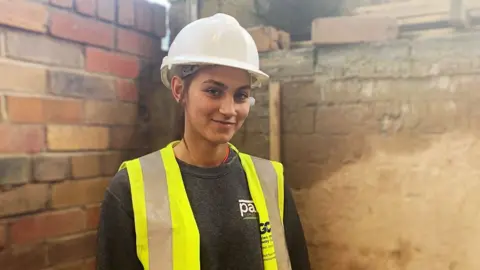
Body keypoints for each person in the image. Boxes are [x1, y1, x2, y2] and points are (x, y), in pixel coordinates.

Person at [96, 13, 310, 270]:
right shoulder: (132, 188)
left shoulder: (271, 182)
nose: (229, 109)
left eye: (241, 95)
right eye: (213, 91)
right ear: (179, 90)